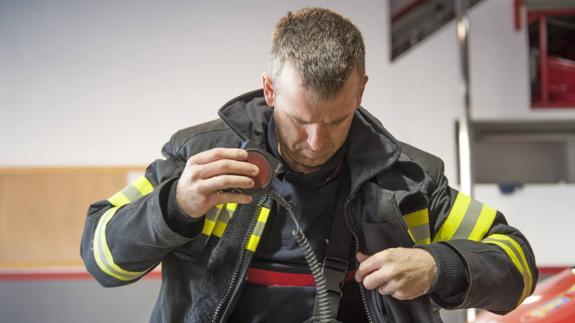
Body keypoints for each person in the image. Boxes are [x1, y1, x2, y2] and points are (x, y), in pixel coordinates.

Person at [81, 7, 537, 323]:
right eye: (300, 120)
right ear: (269, 90)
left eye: (336, 120)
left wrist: (439, 266)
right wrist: (175, 205)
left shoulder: (410, 181)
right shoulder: (199, 157)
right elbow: (102, 256)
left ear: (360, 91)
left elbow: (517, 263)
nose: (316, 141)